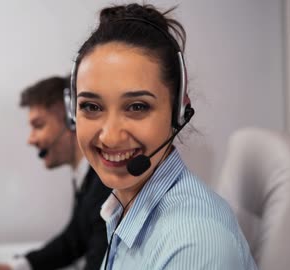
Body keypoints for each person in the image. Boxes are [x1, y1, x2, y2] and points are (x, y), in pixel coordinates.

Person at [68, 3, 258, 270]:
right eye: (91, 106)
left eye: (137, 107)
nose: (110, 137)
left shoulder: (194, 244)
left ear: (178, 111)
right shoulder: (124, 207)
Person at [0, 76, 111, 270]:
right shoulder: (88, 179)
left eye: (38, 126)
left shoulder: (106, 188)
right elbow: (72, 240)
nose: (31, 139)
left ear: (73, 121)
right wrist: (12, 268)